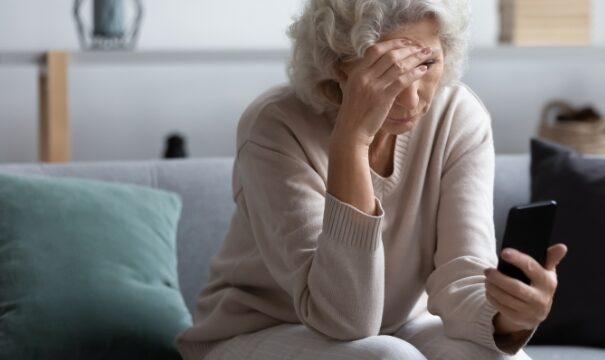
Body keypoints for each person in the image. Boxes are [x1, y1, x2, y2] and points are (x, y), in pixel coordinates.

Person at [176, 1, 568, 359]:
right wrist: (351, 141)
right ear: (337, 66)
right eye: (386, 72)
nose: (412, 100)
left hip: (397, 326)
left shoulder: (458, 116)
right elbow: (344, 318)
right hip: (258, 331)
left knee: (503, 358)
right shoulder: (274, 126)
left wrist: (512, 317)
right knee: (387, 358)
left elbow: (461, 278)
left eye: (427, 64)